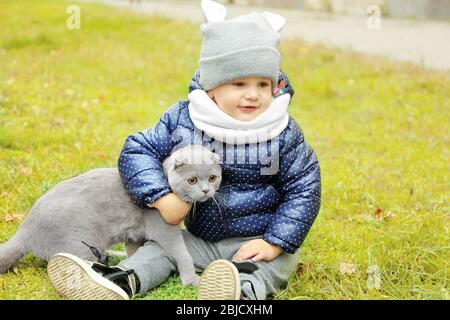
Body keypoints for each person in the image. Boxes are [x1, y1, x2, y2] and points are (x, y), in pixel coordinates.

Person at [47, 0, 321, 300]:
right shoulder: (186, 120)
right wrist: (161, 197)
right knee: (159, 249)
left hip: (259, 239)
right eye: (239, 83)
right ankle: (119, 281)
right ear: (212, 87)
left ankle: (238, 293)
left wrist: (276, 241)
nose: (253, 95)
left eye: (263, 84)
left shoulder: (282, 133)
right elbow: (138, 150)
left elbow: (304, 188)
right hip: (197, 238)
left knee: (274, 264)